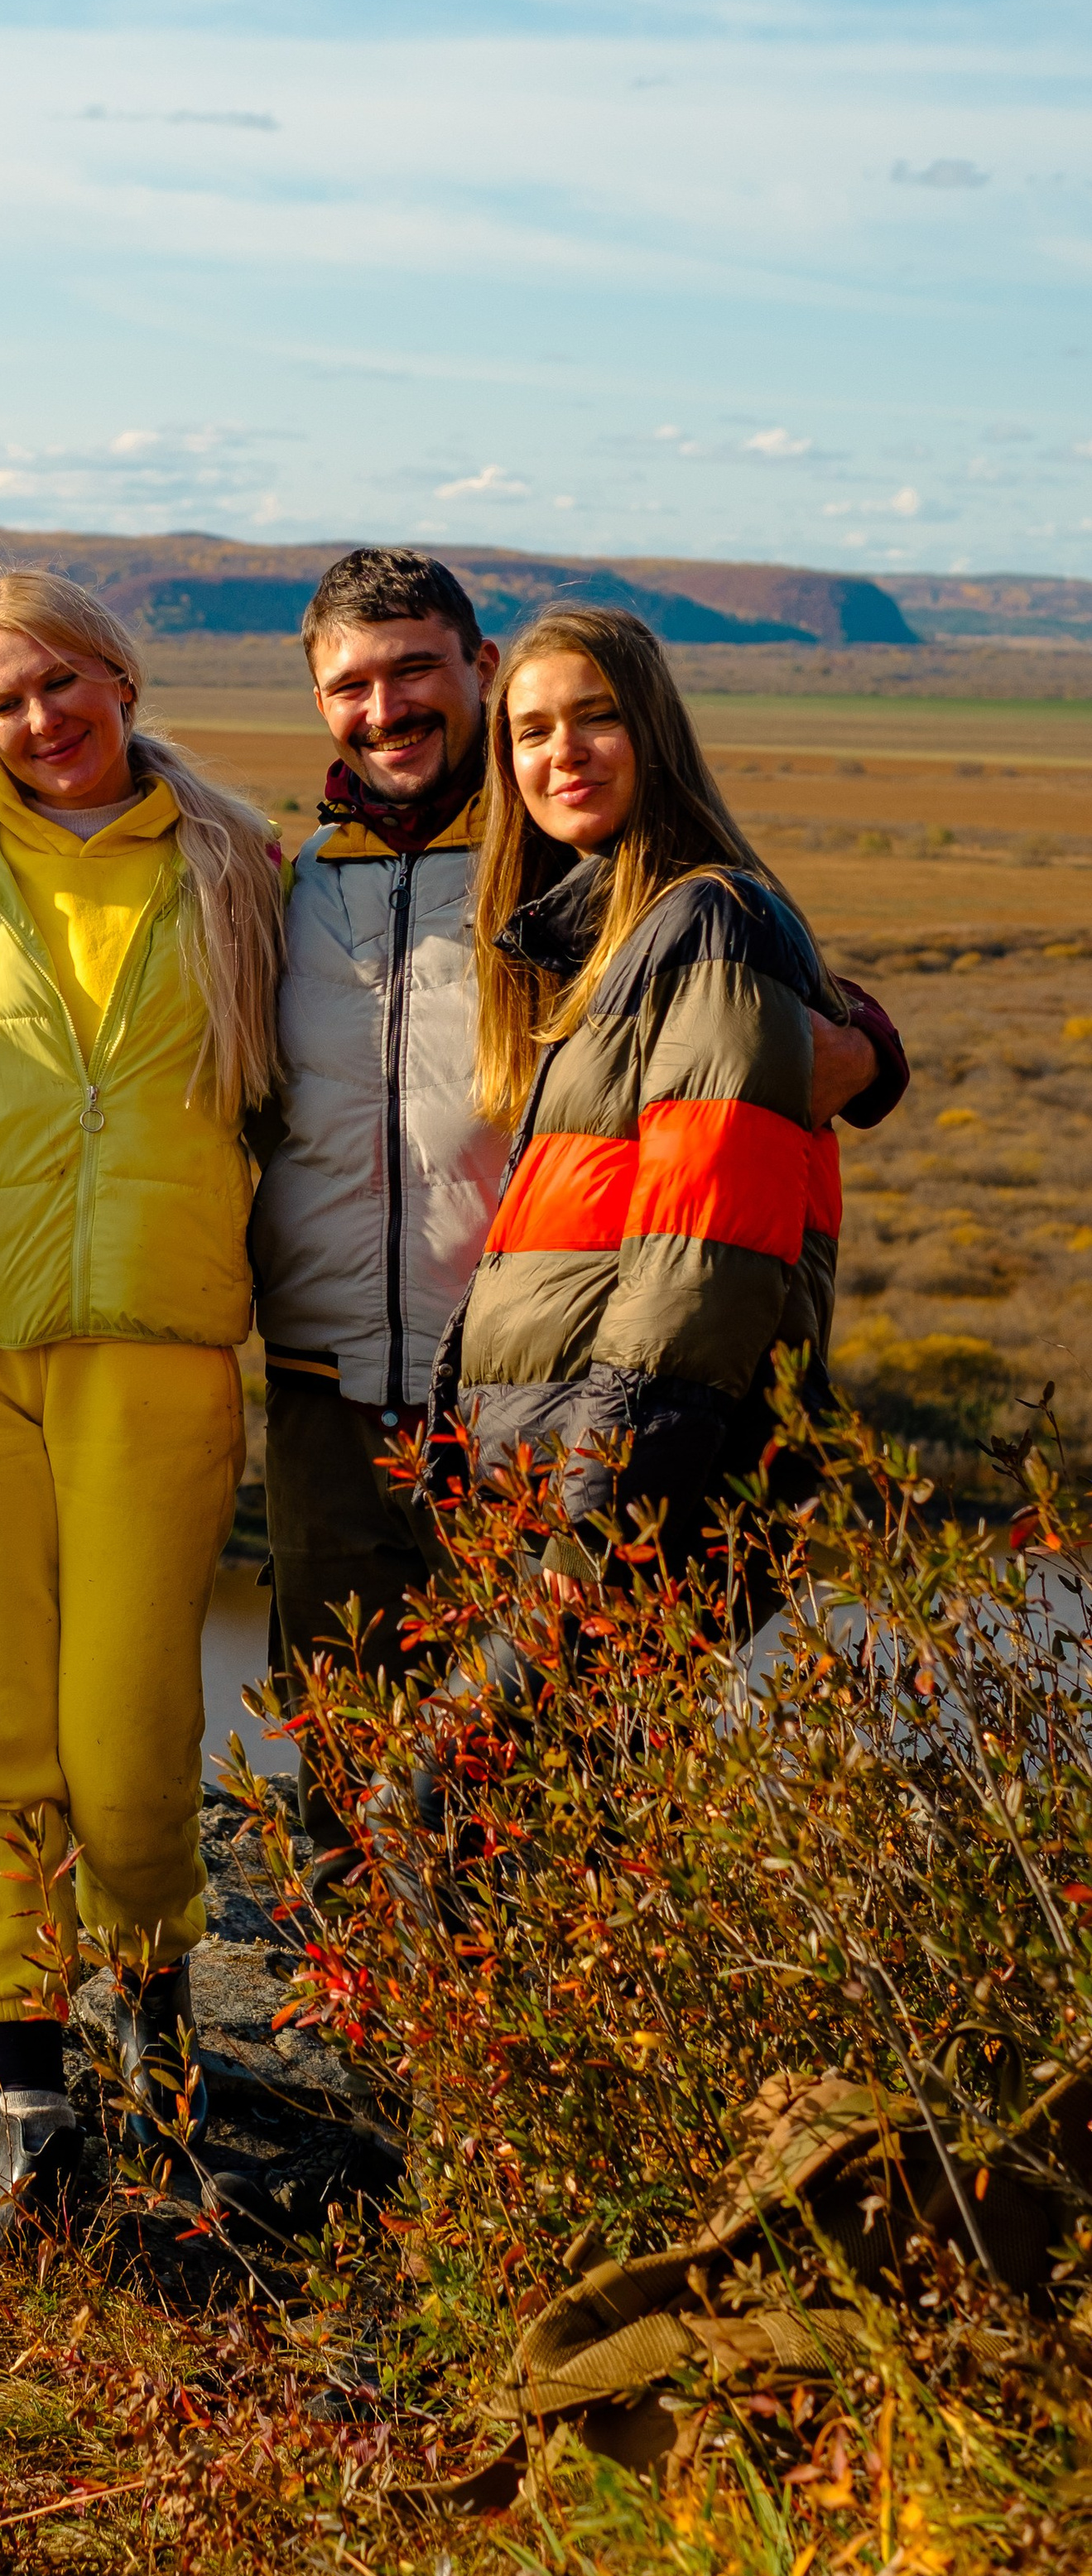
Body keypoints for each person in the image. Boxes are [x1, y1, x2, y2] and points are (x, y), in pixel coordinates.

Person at [249, 551, 901, 1872]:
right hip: (334, 1394)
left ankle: (548, 2074)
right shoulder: (284, 882)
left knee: (539, 1805)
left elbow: (754, 1016)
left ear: (476, 671)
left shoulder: (585, 871)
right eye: (350, 685)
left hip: (548, 1414)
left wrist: (865, 1048)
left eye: (417, 670)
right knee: (353, 1782)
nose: (386, 708)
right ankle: (382, 2072)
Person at [0, 571, 282, 2256]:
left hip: (157, 1348)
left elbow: (322, 1091)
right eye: (1, 701)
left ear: (115, 674)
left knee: (125, 1747)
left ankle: (153, 2026)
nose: (39, 719)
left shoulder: (239, 865)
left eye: (59, 682)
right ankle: (36, 2113)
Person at [433, 600, 878, 1574]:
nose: (566, 753)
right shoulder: (603, 944)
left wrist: (595, 1532)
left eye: (597, 717)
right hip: (561, 1490)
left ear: (655, 729)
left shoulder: (709, 926)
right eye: (531, 730)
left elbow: (695, 1275)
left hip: (625, 1513)